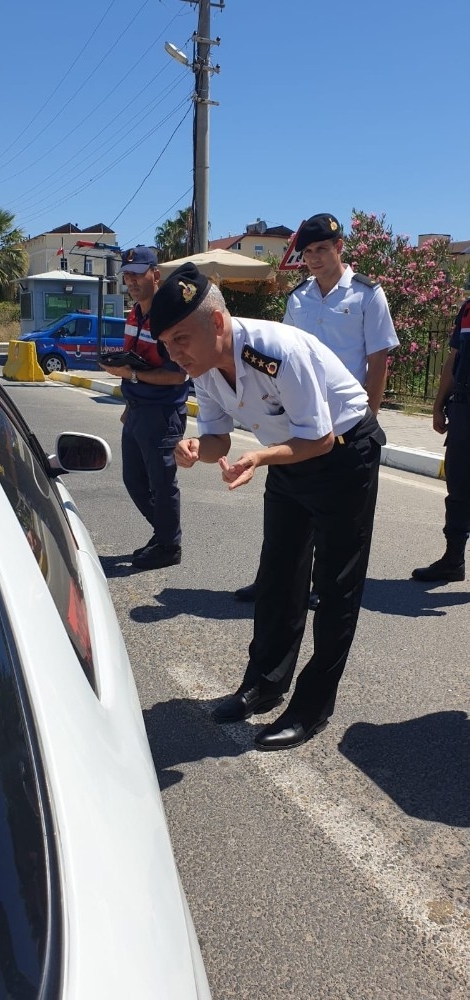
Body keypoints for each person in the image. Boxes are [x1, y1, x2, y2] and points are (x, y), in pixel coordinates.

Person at [148, 262, 385, 750]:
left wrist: (256, 456)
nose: (175, 354)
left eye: (181, 339)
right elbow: (216, 437)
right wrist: (197, 448)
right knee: (277, 577)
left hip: (344, 452)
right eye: (167, 344)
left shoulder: (274, 351)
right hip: (287, 458)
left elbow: (319, 439)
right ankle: (263, 685)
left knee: (337, 585)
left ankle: (312, 707)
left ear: (216, 322)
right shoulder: (205, 367)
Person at [234, 213, 399, 603]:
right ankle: (275, 579)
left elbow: (378, 360)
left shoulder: (366, 294)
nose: (314, 258)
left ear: (339, 248)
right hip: (301, 417)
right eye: (308, 252)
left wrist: (368, 416)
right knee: (287, 511)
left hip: (345, 419)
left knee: (333, 518)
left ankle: (321, 589)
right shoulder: (299, 297)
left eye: (322, 249)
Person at [99, 246, 189, 570]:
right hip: (137, 408)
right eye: (127, 276)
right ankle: (164, 533)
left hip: (162, 413)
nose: (132, 282)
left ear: (155, 275)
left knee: (162, 483)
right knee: (134, 480)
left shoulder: (168, 317)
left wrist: (131, 374)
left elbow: (178, 374)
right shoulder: (135, 312)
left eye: (138, 275)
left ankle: (169, 545)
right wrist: (128, 395)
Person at [412, 297, 470, 582]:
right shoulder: (469, 308)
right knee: (458, 487)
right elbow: (454, 357)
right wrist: (438, 404)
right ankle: (453, 560)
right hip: (464, 409)